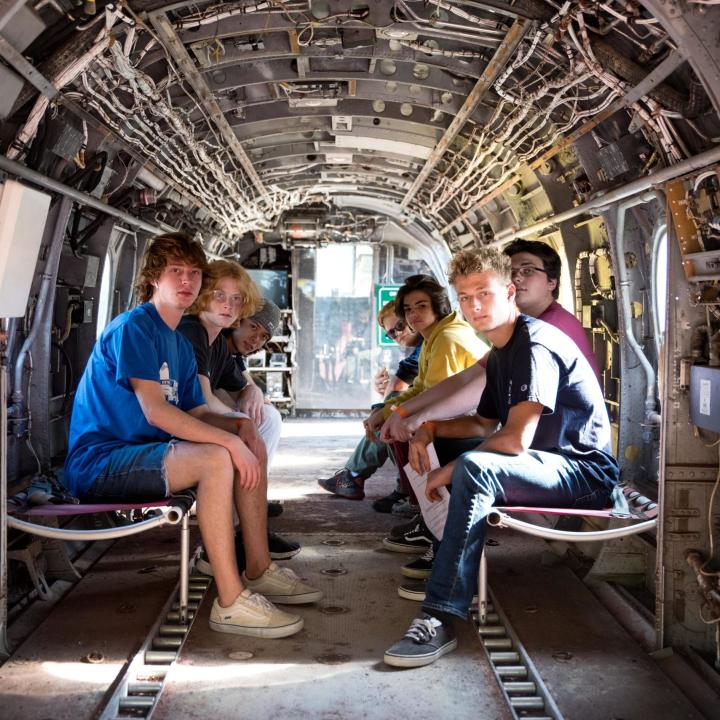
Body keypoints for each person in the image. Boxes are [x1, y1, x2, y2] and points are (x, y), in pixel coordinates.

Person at [64, 233, 321, 640]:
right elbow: (156, 409)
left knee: (245, 438)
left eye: (194, 273)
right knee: (218, 457)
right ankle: (231, 601)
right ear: (154, 278)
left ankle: (257, 567)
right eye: (175, 272)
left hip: (146, 454)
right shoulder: (136, 328)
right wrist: (230, 443)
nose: (187, 281)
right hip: (102, 462)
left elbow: (196, 410)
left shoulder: (178, 344)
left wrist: (242, 429)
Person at [383, 247, 619, 668]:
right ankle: (447, 574)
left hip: (583, 474)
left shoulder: (535, 344)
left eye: (484, 294)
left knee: (474, 467)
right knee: (469, 460)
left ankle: (439, 613)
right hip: (545, 465)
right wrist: (430, 429)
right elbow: (481, 424)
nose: (475, 306)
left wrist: (447, 472)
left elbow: (513, 441)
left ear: (509, 291)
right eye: (465, 297)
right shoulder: (503, 349)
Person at [177, 263, 299, 570]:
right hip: (169, 429)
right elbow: (200, 403)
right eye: (253, 327)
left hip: (185, 421)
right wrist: (241, 423)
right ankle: (235, 533)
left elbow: (242, 382)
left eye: (235, 301)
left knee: (265, 419)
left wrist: (251, 391)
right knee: (257, 426)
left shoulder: (216, 342)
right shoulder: (193, 332)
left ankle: (245, 526)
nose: (256, 339)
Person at [364, 274, 488, 542]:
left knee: (406, 431)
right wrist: (386, 412)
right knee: (395, 425)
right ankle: (425, 510)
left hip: (479, 424)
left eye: (422, 306)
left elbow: (436, 397)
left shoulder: (448, 338)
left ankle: (434, 519)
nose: (413, 314)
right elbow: (422, 387)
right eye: (408, 309)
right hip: (468, 417)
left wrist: (397, 417)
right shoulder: (435, 337)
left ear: (438, 306)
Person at [318, 299, 422, 506]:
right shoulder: (424, 346)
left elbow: (399, 386)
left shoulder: (433, 342)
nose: (397, 334)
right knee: (390, 406)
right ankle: (359, 475)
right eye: (391, 333)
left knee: (391, 407)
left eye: (400, 326)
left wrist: (386, 399)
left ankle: (356, 475)